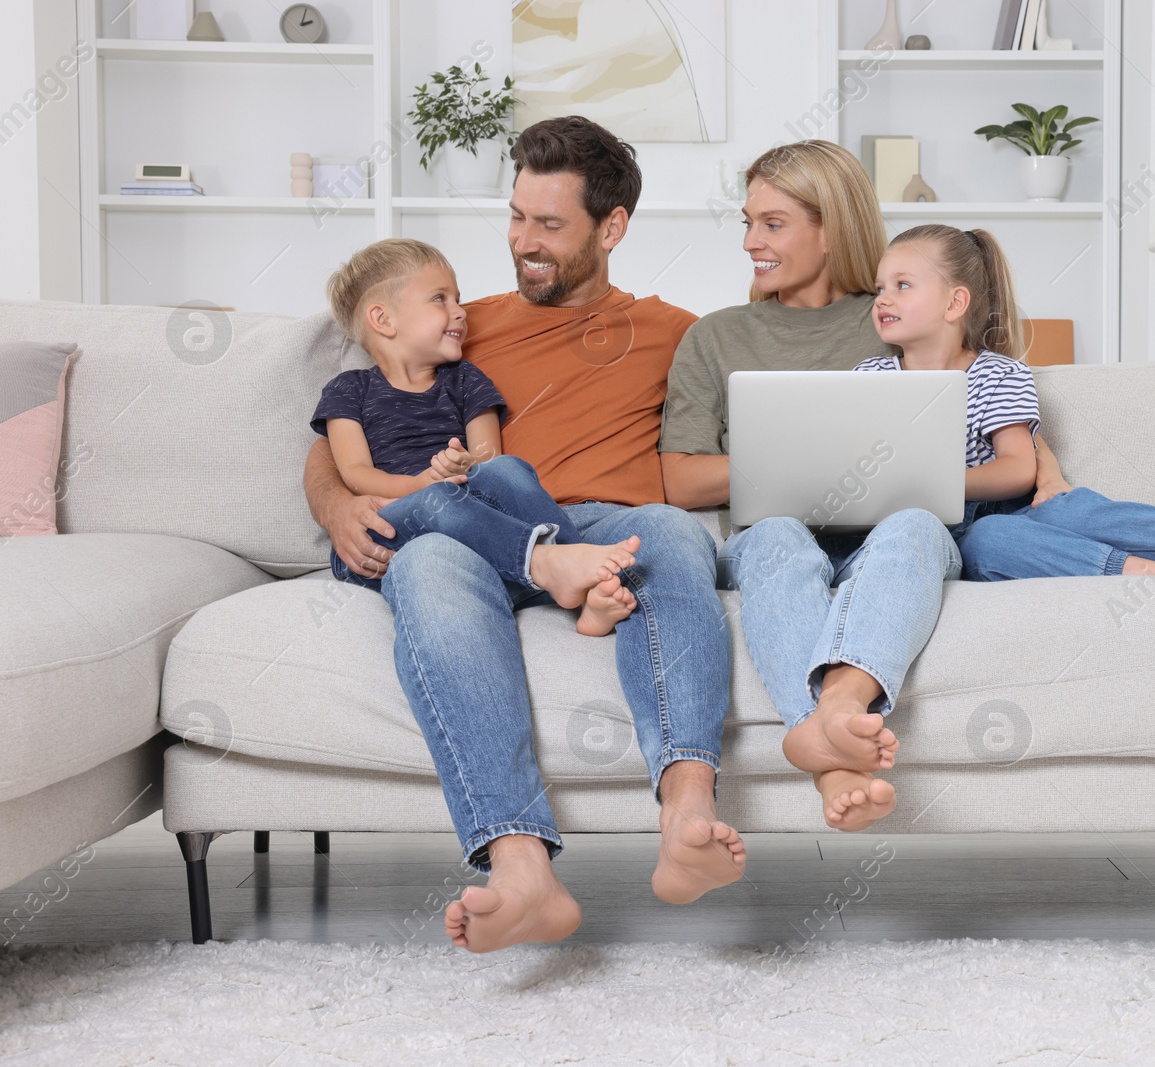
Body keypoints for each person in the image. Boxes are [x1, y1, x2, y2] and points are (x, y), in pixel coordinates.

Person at [302, 117, 745, 953]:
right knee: (427, 557)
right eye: (516, 217)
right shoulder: (458, 323)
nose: (523, 243)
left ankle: (688, 811)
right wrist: (333, 504)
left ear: (611, 228)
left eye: (549, 225)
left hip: (605, 526)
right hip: (470, 526)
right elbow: (336, 440)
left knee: (672, 531)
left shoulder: (677, 333)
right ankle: (521, 869)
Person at [662, 140, 956, 836]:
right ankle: (834, 757)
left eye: (773, 223)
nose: (750, 242)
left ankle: (831, 717)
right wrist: (807, 469)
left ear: (833, 228)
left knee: (918, 525)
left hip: (886, 534)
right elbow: (681, 477)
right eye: (747, 222)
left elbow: (973, 407)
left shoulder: (894, 317)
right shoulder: (716, 337)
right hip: (774, 537)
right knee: (774, 535)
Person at [866, 223, 1155, 580]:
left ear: (954, 304)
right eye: (880, 288)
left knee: (1068, 509)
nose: (883, 299)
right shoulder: (868, 380)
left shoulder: (997, 374)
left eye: (902, 285)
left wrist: (933, 483)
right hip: (934, 540)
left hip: (999, 512)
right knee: (991, 543)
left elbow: (1018, 469)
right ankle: (1151, 572)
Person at [313, 237, 638, 636]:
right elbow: (355, 472)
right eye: (440, 299)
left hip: (463, 522)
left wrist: (467, 464)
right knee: (441, 498)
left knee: (510, 469)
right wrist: (418, 486)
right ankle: (557, 566)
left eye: (457, 299)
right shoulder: (350, 389)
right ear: (382, 320)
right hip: (382, 537)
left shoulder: (465, 380)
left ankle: (583, 582)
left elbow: (488, 464)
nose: (459, 312)